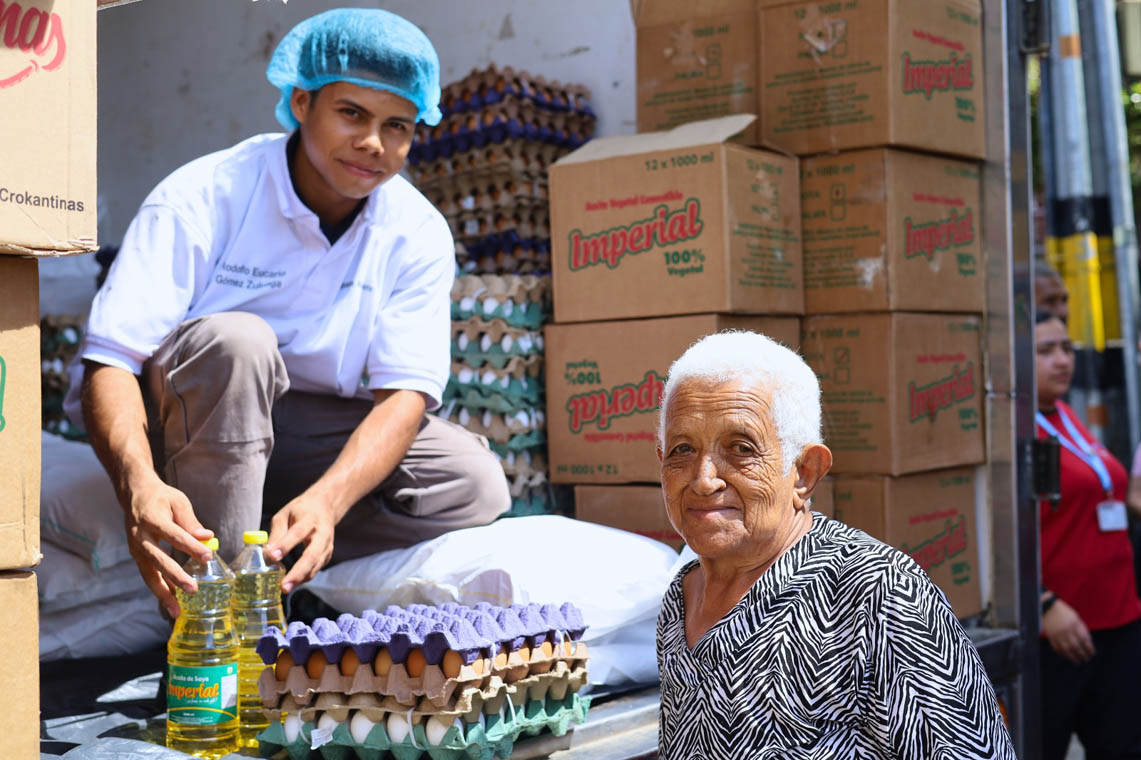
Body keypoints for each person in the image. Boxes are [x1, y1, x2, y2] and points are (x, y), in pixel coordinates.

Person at [64, 8, 509, 619]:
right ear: (302, 103)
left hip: (301, 431)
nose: (373, 143)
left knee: (470, 482)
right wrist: (137, 482)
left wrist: (328, 501)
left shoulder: (416, 231)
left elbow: (405, 394)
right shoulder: (205, 194)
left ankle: (275, 560)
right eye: (351, 113)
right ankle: (217, 615)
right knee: (239, 343)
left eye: (397, 126)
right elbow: (110, 360)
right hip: (185, 420)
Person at [654, 331, 1015, 759]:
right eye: (682, 449)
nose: (703, 479)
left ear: (804, 473)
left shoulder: (879, 593)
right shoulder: (682, 597)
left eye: (741, 448)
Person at [1034, 310, 1141, 759]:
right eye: (1045, 351)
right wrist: (1042, 603)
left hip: (1118, 622)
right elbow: (998, 538)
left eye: (1067, 348)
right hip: (1060, 633)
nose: (1063, 360)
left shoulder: (1064, 413)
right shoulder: (1014, 431)